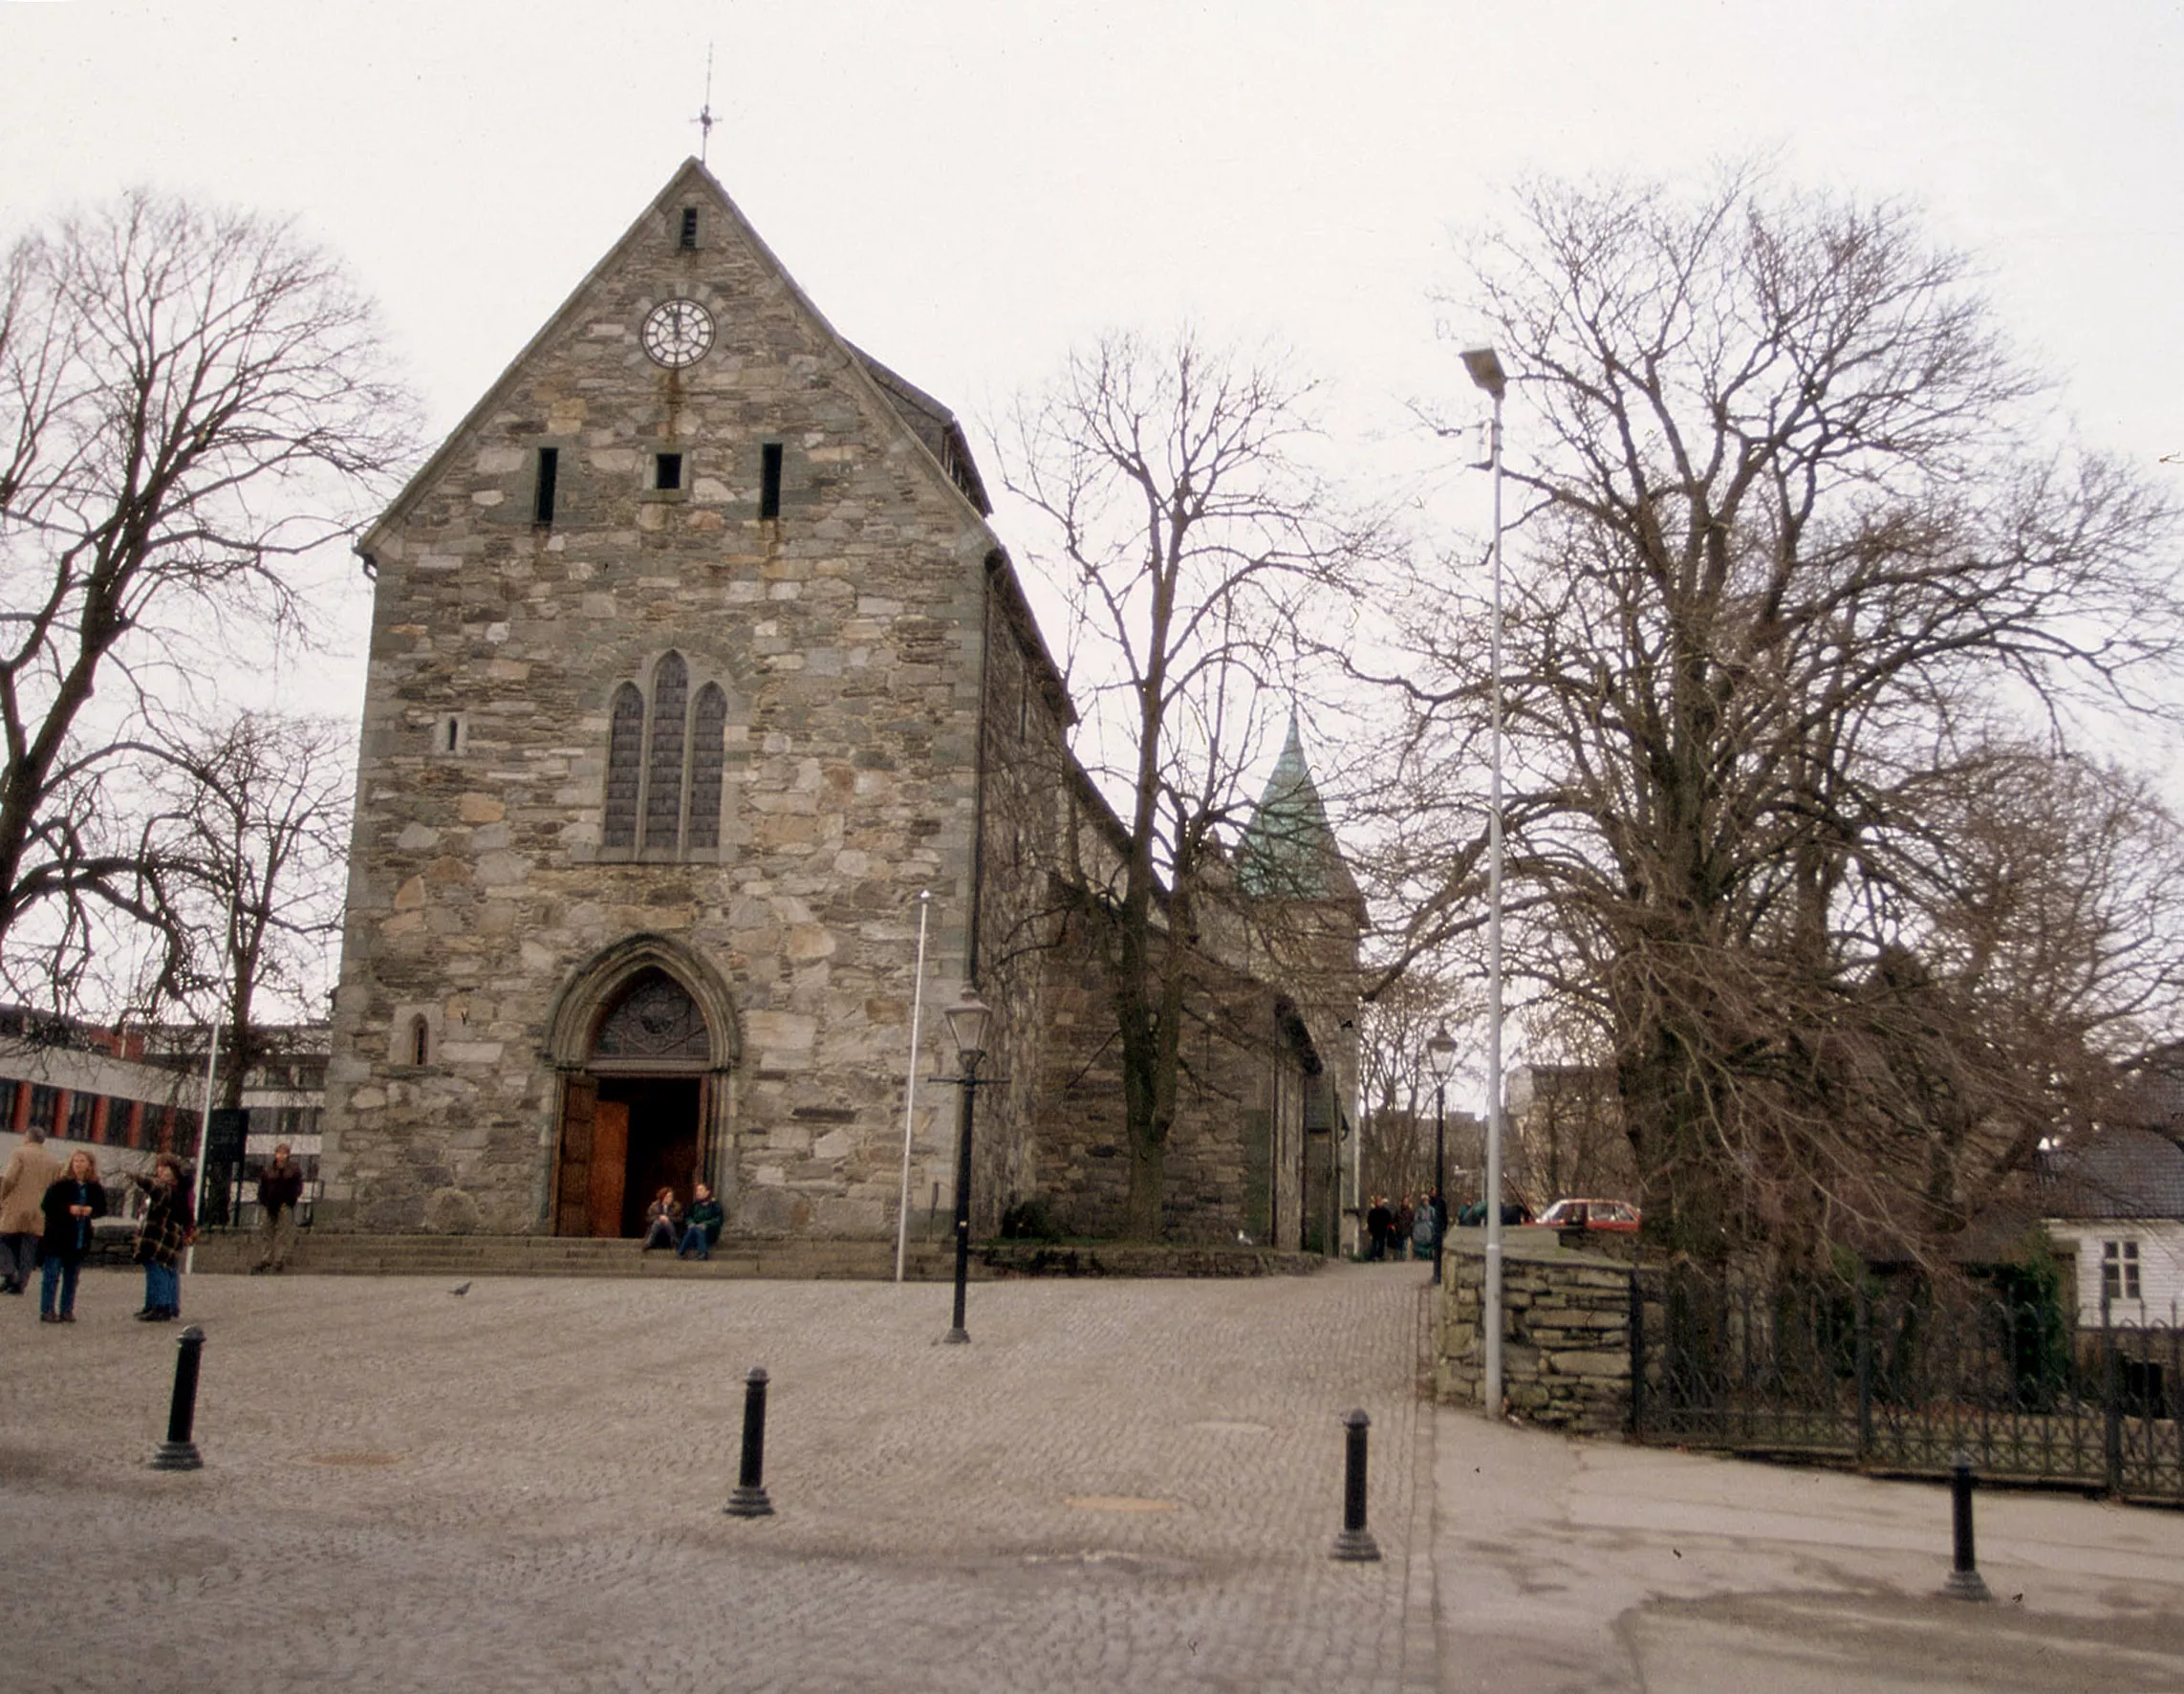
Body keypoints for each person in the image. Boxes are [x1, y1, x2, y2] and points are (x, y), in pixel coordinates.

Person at [38, 1148, 105, 1324]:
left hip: (79, 1237)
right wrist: (68, 1209)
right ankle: (47, 1310)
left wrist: (91, 1210)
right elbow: (47, 1206)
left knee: (72, 1277)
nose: (78, 1165)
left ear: (90, 1165)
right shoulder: (60, 1184)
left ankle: (67, 1310)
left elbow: (102, 1207)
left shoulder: (94, 1187)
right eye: (76, 1161)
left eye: (82, 1161)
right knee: (51, 1276)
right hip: (57, 1237)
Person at [130, 1154, 195, 1321]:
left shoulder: (170, 1190)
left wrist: (137, 1177)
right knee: (158, 1270)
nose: (161, 1171)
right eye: (159, 1167)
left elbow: (151, 1187)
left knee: (160, 1269)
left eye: (165, 1168)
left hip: (163, 1235)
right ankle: (155, 1304)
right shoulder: (179, 1190)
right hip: (157, 1233)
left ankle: (162, 1306)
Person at [0, 1125, 60, 1294]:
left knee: (3, 1240)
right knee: (28, 1248)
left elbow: (10, 1179)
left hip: (17, 1206)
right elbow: (54, 1188)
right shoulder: (53, 1161)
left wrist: (1, 1197)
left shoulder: (19, 1153)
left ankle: (9, 1272)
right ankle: (20, 1284)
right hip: (39, 1211)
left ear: (27, 1138)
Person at [252, 1141, 305, 1273]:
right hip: (269, 1204)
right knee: (266, 1231)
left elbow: (297, 1188)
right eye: (279, 1153)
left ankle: (278, 1260)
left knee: (282, 1233)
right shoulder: (268, 1171)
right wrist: (264, 1200)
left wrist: (290, 1200)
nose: (281, 1156)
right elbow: (263, 1188)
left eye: (284, 1153)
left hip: (284, 1205)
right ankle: (266, 1258)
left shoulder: (293, 1171)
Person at [679, 1182, 724, 1259]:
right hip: (695, 1231)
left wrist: (706, 1224)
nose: (698, 1192)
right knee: (693, 1228)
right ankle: (683, 1252)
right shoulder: (695, 1205)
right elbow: (688, 1216)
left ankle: (698, 1252)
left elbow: (719, 1219)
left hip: (709, 1232)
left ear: (707, 1192)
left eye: (700, 1190)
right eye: (697, 1190)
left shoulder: (714, 1204)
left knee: (697, 1229)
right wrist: (690, 1223)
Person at [640, 1185, 681, 1250]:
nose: (670, 1198)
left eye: (671, 1196)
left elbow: (680, 1219)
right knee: (658, 1222)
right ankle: (649, 1242)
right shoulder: (654, 1206)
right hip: (657, 1232)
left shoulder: (677, 1207)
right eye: (667, 1196)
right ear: (663, 1197)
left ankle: (675, 1243)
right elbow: (648, 1218)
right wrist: (659, 1217)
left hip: (671, 1230)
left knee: (666, 1222)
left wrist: (668, 1218)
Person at [1365, 1196, 1392, 1261]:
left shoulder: (1386, 1211)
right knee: (1374, 1243)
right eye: (1378, 1201)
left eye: (1380, 1201)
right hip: (1375, 1230)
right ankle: (1374, 1256)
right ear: (1376, 1202)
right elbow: (1369, 1221)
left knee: (1382, 1243)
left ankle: (1381, 1256)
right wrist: (1370, 1229)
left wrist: (1388, 1228)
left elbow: (1389, 1220)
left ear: (1382, 1202)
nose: (1379, 1202)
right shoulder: (1372, 1211)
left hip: (1383, 1230)